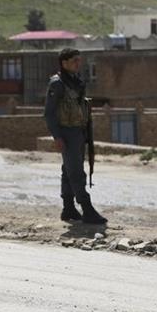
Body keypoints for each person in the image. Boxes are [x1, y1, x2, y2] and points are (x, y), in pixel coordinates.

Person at [43, 48, 107, 225]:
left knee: (68, 171)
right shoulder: (57, 84)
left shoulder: (76, 81)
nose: (78, 64)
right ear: (64, 63)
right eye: (74, 61)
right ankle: (87, 209)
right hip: (66, 132)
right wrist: (57, 137)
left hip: (78, 132)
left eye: (79, 60)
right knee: (76, 173)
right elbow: (49, 113)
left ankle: (68, 208)